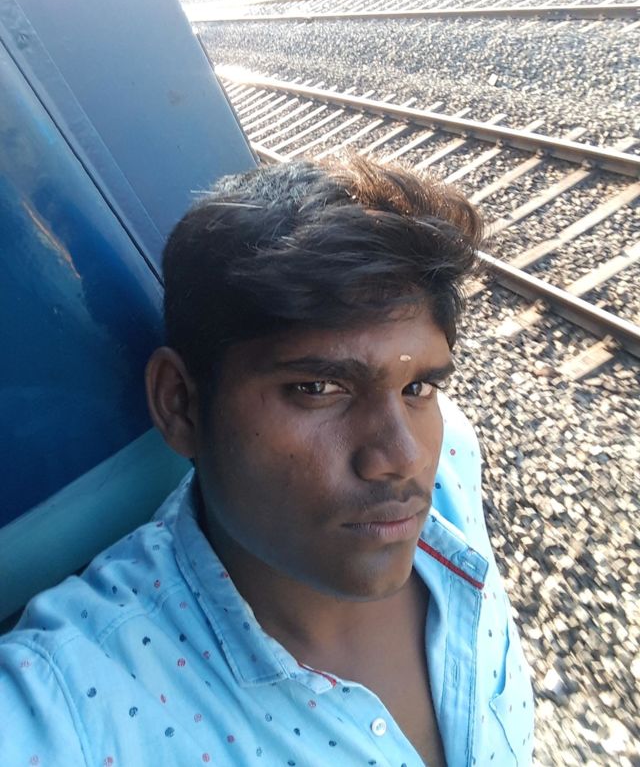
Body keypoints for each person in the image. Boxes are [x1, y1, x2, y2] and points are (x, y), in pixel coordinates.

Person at [0, 157, 534, 766]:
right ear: (181, 405)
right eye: (318, 388)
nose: (402, 457)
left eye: (419, 388)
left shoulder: (451, 460)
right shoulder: (71, 704)